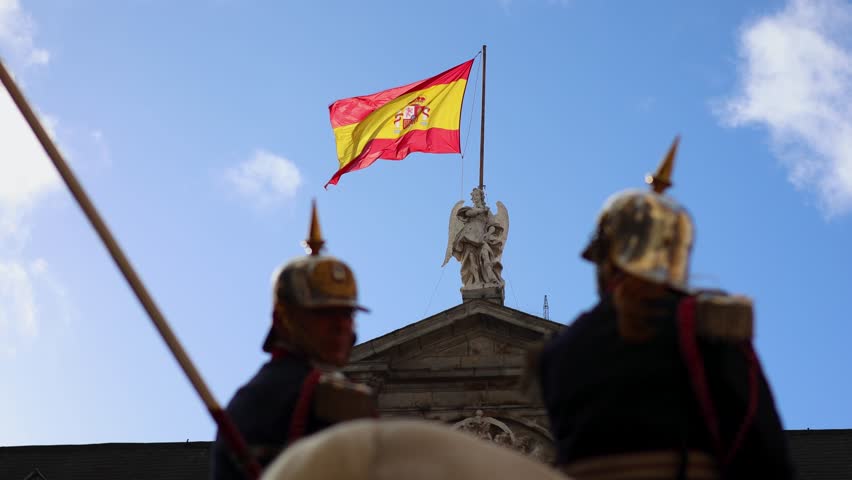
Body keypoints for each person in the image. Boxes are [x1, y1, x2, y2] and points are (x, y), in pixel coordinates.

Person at [536, 138, 795, 480]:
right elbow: (758, 445)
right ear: (675, 254)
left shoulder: (556, 351)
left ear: (607, 258)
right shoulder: (708, 322)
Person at [210, 202, 374, 480]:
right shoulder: (326, 396)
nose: (341, 326)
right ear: (284, 319)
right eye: (323, 314)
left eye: (347, 314)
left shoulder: (249, 396)